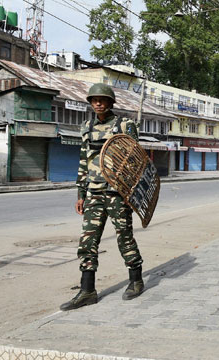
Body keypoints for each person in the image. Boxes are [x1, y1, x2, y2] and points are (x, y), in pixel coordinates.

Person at [60, 83, 145, 311]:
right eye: (94, 100)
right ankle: (87, 290)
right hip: (94, 193)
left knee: (124, 237)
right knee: (88, 242)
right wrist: (80, 193)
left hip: (118, 193)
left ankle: (136, 280)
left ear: (110, 102)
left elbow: (135, 160)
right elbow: (83, 161)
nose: (97, 103)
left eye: (102, 99)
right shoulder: (86, 126)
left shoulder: (125, 125)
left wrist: (131, 193)